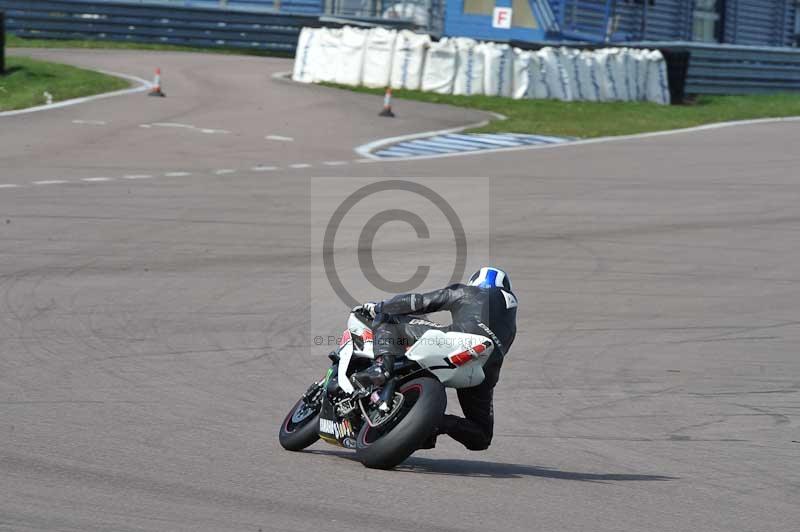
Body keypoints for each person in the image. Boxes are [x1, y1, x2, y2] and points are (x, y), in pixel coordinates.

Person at [353, 267, 517, 451]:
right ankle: (436, 423)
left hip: (459, 340)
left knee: (387, 318)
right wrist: (428, 419)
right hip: (485, 367)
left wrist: (379, 307)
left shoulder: (469, 291)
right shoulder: (512, 325)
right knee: (481, 435)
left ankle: (382, 366)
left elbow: (420, 302)